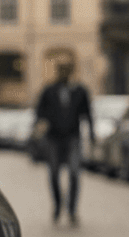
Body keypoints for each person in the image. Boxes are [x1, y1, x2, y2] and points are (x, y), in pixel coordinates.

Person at [35, 61, 95, 225]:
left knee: (75, 173)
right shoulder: (49, 91)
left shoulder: (80, 91)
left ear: (71, 72)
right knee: (53, 174)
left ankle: (72, 209)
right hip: (53, 138)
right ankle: (57, 205)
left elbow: (88, 114)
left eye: (67, 70)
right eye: (62, 70)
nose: (64, 74)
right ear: (57, 72)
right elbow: (39, 113)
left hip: (73, 138)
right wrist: (37, 133)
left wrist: (92, 135)